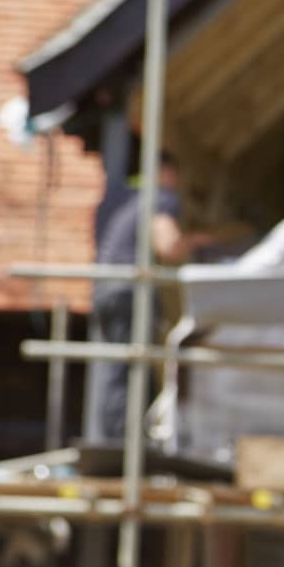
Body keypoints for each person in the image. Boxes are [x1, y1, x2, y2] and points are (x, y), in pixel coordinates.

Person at [91, 150, 210, 440]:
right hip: (132, 291)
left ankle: (112, 440)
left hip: (104, 288)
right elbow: (168, 245)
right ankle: (123, 445)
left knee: (115, 367)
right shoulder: (161, 197)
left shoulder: (120, 199)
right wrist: (202, 242)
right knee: (133, 367)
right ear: (164, 172)